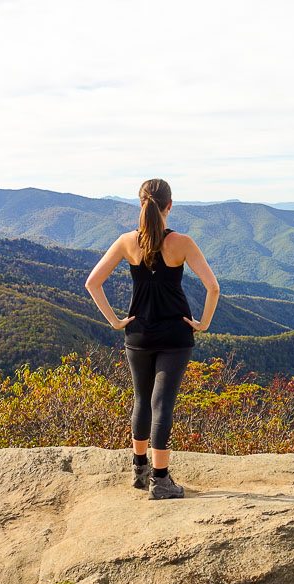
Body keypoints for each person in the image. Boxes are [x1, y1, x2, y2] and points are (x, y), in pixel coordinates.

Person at [85, 178, 220, 499]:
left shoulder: (126, 241)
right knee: (163, 405)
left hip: (138, 334)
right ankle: (161, 480)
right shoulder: (183, 243)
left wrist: (116, 321)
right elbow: (213, 287)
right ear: (169, 206)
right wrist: (203, 323)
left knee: (141, 400)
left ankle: (139, 470)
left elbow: (93, 282)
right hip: (175, 333)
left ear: (141, 203)